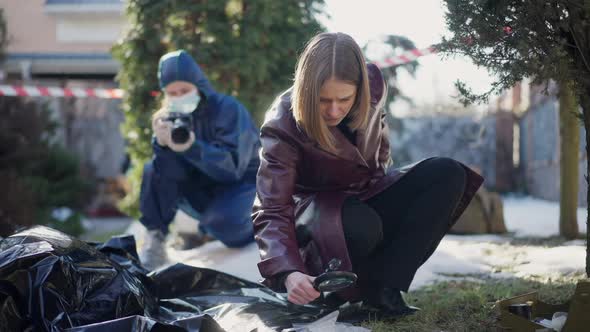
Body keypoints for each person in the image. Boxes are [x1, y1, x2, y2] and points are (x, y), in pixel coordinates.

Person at [252, 32, 484, 318]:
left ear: (361, 88)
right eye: (323, 100)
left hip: (366, 195)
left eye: (344, 99)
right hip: (316, 221)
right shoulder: (282, 122)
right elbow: (271, 208)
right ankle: (333, 287)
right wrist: (287, 271)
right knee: (361, 224)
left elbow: (379, 149)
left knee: (446, 173)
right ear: (306, 91)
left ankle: (384, 289)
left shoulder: (374, 85)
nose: (333, 110)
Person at [139, 50, 260, 270]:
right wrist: (163, 145)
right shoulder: (170, 117)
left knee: (223, 223)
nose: (179, 97)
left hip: (242, 186)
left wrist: (191, 147)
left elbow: (232, 168)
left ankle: (264, 228)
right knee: (153, 168)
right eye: (172, 93)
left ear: (199, 85)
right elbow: (166, 175)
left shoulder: (228, 109)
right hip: (203, 189)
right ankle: (155, 238)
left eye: (184, 90)